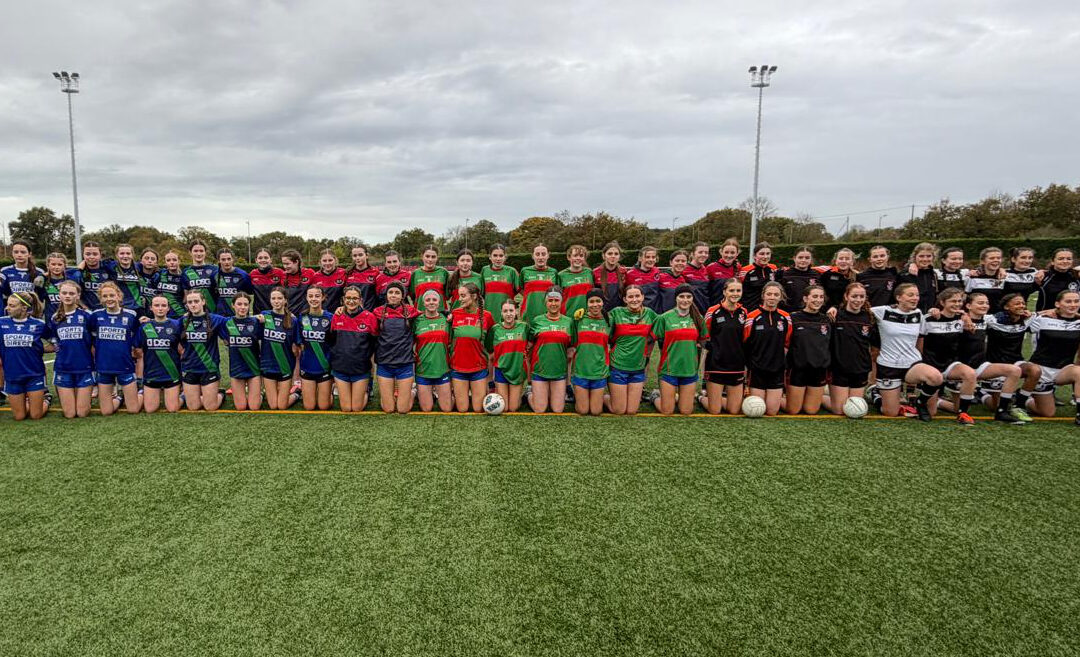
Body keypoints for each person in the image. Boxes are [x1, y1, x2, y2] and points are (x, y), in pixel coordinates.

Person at [949, 291, 1030, 424]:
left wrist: (1027, 314)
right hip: (957, 368)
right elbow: (939, 314)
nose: (985, 305)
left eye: (986, 303)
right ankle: (941, 402)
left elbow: (1008, 316)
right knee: (951, 408)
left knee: (1014, 370)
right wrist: (964, 316)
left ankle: (1002, 412)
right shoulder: (956, 319)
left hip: (979, 365)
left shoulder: (988, 320)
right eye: (980, 303)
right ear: (968, 306)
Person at [866, 283, 942, 421]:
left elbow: (920, 339)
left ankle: (920, 402)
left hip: (912, 364)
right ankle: (875, 395)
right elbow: (860, 309)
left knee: (936, 378)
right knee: (891, 413)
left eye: (917, 295)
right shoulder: (883, 311)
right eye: (911, 295)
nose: (915, 298)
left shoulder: (918, 314)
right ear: (899, 297)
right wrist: (834, 309)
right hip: (888, 365)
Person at [920, 288, 978, 425]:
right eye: (953, 301)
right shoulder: (929, 319)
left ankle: (963, 413)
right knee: (931, 412)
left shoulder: (962, 319)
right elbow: (919, 342)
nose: (957, 304)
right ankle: (931, 401)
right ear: (942, 302)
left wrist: (966, 318)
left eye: (959, 301)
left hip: (950, 364)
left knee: (970, 374)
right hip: (931, 364)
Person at [1025, 290, 1080, 424]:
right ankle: (1025, 398)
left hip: (1064, 370)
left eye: (1076, 301)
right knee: (1048, 413)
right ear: (1057, 304)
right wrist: (1038, 313)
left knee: (1079, 372)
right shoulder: (1043, 319)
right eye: (1068, 301)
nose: (1073, 305)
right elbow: (1020, 326)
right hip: (1041, 370)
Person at [983, 292, 1041, 417]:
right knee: (995, 407)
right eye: (1017, 303)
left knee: (1035, 370)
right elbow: (975, 317)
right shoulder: (993, 320)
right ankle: (982, 394)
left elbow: (1047, 313)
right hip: (995, 364)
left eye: (1023, 304)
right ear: (1006, 307)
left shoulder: (1026, 320)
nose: (1021, 306)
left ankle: (1019, 404)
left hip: (1016, 361)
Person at [651, 284, 705, 415]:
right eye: (681, 296)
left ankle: (675, 396)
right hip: (669, 370)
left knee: (686, 411)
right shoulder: (664, 318)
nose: (685, 300)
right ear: (676, 298)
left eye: (688, 296)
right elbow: (651, 340)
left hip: (689, 370)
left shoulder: (698, 319)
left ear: (692, 298)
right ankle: (655, 397)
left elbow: (703, 342)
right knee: (667, 411)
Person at [91, 282, 142, 415]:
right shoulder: (96, 316)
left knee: (133, 410)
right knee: (106, 412)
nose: (109, 299)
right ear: (101, 299)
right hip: (104, 366)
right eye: (105, 296)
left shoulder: (131, 315)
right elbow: (90, 338)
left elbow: (137, 335)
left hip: (125, 365)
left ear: (119, 296)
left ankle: (142, 393)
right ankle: (119, 398)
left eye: (112, 295)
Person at [47, 280, 95, 418]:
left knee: (82, 413)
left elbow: (94, 342)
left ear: (77, 296)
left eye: (71, 293)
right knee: (69, 414)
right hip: (63, 367)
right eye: (64, 293)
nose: (67, 296)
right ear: (59, 295)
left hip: (84, 367)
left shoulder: (87, 316)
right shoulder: (55, 318)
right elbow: (55, 341)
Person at [700, 278, 748, 415]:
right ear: (724, 292)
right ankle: (701, 397)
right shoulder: (713, 311)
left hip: (737, 366)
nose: (735, 293)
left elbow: (746, 339)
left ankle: (717, 398)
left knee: (734, 411)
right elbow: (704, 336)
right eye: (731, 290)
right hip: (716, 365)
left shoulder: (744, 313)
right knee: (714, 411)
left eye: (738, 290)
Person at [607, 284, 657, 415]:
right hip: (617, 366)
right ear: (625, 299)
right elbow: (600, 322)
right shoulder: (616, 313)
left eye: (637, 296)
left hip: (638, 368)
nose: (634, 299)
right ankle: (601, 397)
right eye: (630, 297)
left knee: (631, 411)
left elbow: (667, 324)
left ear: (643, 297)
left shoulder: (650, 314)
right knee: (618, 410)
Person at [742, 281, 790, 415]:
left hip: (777, 370)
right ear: (763, 296)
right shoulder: (752, 317)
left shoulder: (786, 317)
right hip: (757, 369)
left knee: (771, 411)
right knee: (758, 408)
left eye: (776, 295)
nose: (772, 297)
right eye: (769, 294)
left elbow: (787, 343)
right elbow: (745, 343)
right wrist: (748, 366)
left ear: (781, 297)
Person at [0, 291, 50, 420]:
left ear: (24, 308)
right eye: (8, 305)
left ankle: (46, 399)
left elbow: (55, 343)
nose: (7, 308)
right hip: (12, 375)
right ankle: (28, 400)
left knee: (35, 415)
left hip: (34, 374)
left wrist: (39, 350)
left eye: (12, 305)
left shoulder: (38, 324)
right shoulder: (1, 323)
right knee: (19, 416)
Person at [373, 281, 419, 413]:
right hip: (384, 363)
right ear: (386, 295)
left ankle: (413, 391)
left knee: (402, 409)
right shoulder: (377, 312)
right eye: (391, 292)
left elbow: (429, 314)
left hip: (404, 363)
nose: (393, 295)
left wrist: (446, 314)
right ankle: (389, 395)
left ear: (403, 296)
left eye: (397, 292)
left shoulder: (411, 312)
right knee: (388, 409)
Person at [828, 283, 874, 415]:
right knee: (839, 410)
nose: (858, 300)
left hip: (860, 368)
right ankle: (820, 399)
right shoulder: (835, 316)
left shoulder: (869, 317)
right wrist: (832, 307)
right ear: (846, 296)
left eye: (861, 296)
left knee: (854, 407)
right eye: (854, 296)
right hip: (838, 368)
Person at [330, 285, 378, 412]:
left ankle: (366, 389)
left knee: (356, 408)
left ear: (361, 300)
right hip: (341, 368)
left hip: (361, 369)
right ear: (343, 300)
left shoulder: (370, 317)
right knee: (346, 408)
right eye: (348, 298)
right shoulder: (336, 316)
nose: (351, 301)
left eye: (355, 298)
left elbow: (373, 344)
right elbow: (332, 342)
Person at [178, 289, 227, 412]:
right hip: (189, 367)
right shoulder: (182, 321)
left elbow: (236, 321)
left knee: (210, 407)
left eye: (196, 301)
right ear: (187, 305)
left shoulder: (216, 319)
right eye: (190, 302)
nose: (193, 304)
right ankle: (189, 395)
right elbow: (173, 337)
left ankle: (220, 394)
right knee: (193, 407)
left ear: (203, 302)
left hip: (209, 368)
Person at [785, 285, 831, 415]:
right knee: (793, 410)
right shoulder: (793, 318)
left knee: (811, 411)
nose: (818, 300)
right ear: (805, 298)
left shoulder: (827, 319)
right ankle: (777, 399)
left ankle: (820, 398)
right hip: (798, 369)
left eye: (821, 297)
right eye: (814, 296)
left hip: (819, 369)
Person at [449, 283, 494, 412]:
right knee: (462, 409)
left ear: (474, 296)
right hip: (458, 368)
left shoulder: (487, 316)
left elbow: (490, 344)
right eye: (459, 295)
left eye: (463, 296)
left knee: (478, 409)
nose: (460, 299)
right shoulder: (454, 314)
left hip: (478, 368)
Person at [526, 289, 572, 413]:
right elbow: (529, 346)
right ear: (545, 302)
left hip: (559, 371)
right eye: (550, 300)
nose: (553, 303)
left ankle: (548, 393)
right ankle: (529, 394)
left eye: (556, 300)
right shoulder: (537, 321)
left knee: (557, 409)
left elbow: (572, 348)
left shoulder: (569, 322)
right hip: (540, 370)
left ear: (561, 302)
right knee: (539, 409)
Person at [138, 294, 183, 414]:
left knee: (172, 409)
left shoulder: (177, 325)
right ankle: (142, 392)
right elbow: (138, 351)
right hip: (151, 374)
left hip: (171, 373)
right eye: (156, 305)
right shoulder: (144, 327)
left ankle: (183, 396)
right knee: (150, 409)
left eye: (163, 305)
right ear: (151, 308)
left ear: (168, 308)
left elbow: (182, 348)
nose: (160, 308)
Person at [570, 289, 610, 415]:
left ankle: (602, 398)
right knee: (583, 410)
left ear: (603, 302)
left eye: (598, 301)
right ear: (586, 303)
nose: (595, 304)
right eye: (591, 301)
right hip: (581, 370)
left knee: (596, 411)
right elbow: (572, 341)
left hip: (599, 370)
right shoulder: (579, 318)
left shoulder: (609, 320)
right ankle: (579, 396)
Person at [259, 287, 300, 410]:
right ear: (270, 300)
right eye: (273, 298)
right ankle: (262, 393)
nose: (276, 301)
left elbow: (297, 345)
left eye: (280, 298)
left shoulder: (293, 320)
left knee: (282, 406)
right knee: (273, 406)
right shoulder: (264, 316)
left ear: (285, 300)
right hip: (268, 365)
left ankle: (297, 394)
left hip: (285, 366)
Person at [413, 290, 452, 412]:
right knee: (426, 409)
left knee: (447, 408)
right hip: (423, 370)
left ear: (439, 302)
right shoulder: (417, 321)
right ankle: (415, 391)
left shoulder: (447, 320)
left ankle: (454, 393)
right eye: (428, 300)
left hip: (442, 369)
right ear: (423, 303)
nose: (431, 302)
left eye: (434, 300)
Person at [223, 292, 263, 411]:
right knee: (240, 407)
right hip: (236, 368)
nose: (242, 307)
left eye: (245, 304)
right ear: (233, 305)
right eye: (239, 304)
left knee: (254, 407)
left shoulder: (256, 322)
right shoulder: (225, 322)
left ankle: (260, 394)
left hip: (253, 367)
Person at [297, 286, 334, 411]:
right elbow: (299, 344)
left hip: (324, 366)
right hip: (307, 366)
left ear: (323, 297)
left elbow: (335, 343)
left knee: (324, 406)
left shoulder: (330, 318)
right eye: (310, 296)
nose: (314, 299)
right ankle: (299, 392)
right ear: (307, 298)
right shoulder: (302, 318)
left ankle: (329, 392)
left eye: (317, 296)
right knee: (309, 407)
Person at [487, 299, 528, 413]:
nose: (508, 314)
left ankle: (525, 394)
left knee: (513, 408)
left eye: (511, 310)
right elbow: (490, 349)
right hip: (501, 370)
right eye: (505, 311)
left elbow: (530, 343)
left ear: (516, 312)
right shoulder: (495, 329)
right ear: (501, 313)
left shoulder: (524, 327)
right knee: (503, 408)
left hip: (517, 370)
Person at [520, 244, 558, 326]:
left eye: (543, 254)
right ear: (532, 256)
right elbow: (521, 289)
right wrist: (531, 298)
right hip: (529, 313)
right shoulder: (525, 271)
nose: (540, 257)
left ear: (548, 256)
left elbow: (558, 293)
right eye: (537, 254)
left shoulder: (554, 272)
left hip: (549, 313)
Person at [737, 242, 779, 311]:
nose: (765, 257)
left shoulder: (773, 268)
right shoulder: (745, 270)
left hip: (768, 310)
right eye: (762, 254)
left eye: (768, 254)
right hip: (750, 310)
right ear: (754, 256)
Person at [0, 240, 45, 306]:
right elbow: (4, 292)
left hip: (32, 312)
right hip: (13, 311)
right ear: (12, 254)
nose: (19, 255)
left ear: (29, 254)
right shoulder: (5, 271)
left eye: (23, 252)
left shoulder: (39, 272)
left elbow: (42, 294)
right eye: (16, 252)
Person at [481, 244, 519, 318]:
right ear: (490, 257)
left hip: (506, 315)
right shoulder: (484, 270)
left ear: (505, 257)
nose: (498, 258)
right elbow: (481, 293)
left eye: (501, 256)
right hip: (488, 314)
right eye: (495, 255)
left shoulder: (511, 271)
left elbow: (521, 291)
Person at [965, 247, 1007, 312]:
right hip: (976, 316)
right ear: (982, 261)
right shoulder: (973, 276)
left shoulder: (1003, 277)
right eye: (991, 258)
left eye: (998, 258)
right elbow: (965, 297)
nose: (996, 260)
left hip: (996, 316)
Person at [41, 252, 81, 320]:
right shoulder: (44, 282)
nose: (56, 267)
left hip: (70, 318)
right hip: (51, 320)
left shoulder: (71, 280)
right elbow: (40, 301)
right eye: (53, 264)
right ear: (48, 265)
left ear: (65, 266)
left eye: (60, 265)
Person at [182, 240, 219, 311]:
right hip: (195, 312)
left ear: (205, 252)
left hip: (213, 312)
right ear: (190, 252)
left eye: (201, 251)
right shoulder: (186, 272)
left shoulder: (215, 269)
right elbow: (186, 296)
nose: (198, 254)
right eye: (195, 251)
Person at [900, 242, 938, 313]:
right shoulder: (905, 274)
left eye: (928, 256)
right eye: (921, 256)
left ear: (933, 257)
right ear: (915, 257)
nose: (925, 259)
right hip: (910, 315)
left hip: (929, 315)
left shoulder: (934, 274)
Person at [623, 246, 662, 314]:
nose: (651, 259)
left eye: (653, 257)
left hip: (655, 312)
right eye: (647, 257)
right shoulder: (630, 274)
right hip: (638, 313)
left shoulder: (657, 271)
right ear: (640, 258)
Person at [215, 248, 254, 316]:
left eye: (229, 259)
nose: (226, 262)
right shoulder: (215, 275)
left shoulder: (243, 275)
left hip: (238, 316)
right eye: (223, 259)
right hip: (221, 316)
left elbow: (249, 294)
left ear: (233, 259)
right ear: (219, 260)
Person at [778, 246, 817, 312]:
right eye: (800, 257)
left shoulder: (817, 275)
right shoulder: (784, 274)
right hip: (789, 313)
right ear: (794, 258)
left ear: (811, 260)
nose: (803, 260)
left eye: (807, 258)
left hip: (810, 314)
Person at [559, 245, 594, 319]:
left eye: (581, 256)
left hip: (587, 316)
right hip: (568, 316)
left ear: (584, 258)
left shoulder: (589, 272)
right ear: (569, 257)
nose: (578, 258)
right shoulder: (561, 275)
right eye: (575, 255)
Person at [78, 241, 114, 310]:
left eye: (95, 254)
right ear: (83, 255)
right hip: (86, 311)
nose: (91, 257)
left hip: (106, 311)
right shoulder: (79, 273)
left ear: (100, 255)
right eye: (88, 254)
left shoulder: (108, 269)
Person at [593, 241, 626, 313]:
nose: (613, 256)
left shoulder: (623, 271)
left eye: (616, 254)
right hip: (601, 313)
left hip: (619, 313)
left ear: (619, 256)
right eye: (610, 253)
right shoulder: (595, 272)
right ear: (603, 255)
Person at [707, 238, 741, 307]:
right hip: (715, 308)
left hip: (733, 309)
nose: (729, 255)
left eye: (732, 253)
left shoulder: (738, 267)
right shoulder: (711, 268)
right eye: (726, 252)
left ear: (737, 253)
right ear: (721, 252)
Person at [250, 248, 286, 313]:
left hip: (277, 313)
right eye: (260, 258)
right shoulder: (252, 274)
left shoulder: (280, 273)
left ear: (271, 260)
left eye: (266, 258)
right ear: (256, 260)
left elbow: (286, 293)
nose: (263, 260)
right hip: (259, 314)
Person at [344, 245, 379, 311]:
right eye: (355, 256)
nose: (357, 258)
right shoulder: (348, 273)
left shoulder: (375, 272)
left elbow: (378, 295)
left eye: (360, 255)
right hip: (352, 313)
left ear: (367, 255)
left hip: (370, 313)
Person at [110, 243, 144, 311]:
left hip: (137, 306)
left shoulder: (139, 266)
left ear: (132, 255)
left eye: (128, 253)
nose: (125, 256)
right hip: (119, 307)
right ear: (117, 255)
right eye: (122, 253)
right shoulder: (111, 266)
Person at [281, 249, 315, 316]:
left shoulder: (309, 273)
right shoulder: (283, 276)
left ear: (296, 262)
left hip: (305, 315)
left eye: (287, 264)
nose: (285, 267)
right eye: (283, 264)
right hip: (289, 315)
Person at [683, 242, 712, 313]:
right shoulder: (683, 270)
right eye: (700, 252)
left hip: (706, 311)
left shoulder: (707, 270)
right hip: (690, 312)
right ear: (692, 254)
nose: (703, 255)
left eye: (706, 253)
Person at [156, 250, 186, 317]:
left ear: (179, 261)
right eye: (168, 260)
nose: (172, 262)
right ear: (165, 263)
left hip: (179, 313)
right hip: (161, 313)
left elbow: (185, 298)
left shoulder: (183, 277)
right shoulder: (160, 274)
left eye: (174, 260)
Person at [137, 248, 161, 315]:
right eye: (147, 258)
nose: (150, 261)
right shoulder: (134, 275)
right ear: (141, 261)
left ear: (156, 263)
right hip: (136, 312)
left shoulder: (160, 277)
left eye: (153, 259)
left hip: (153, 314)